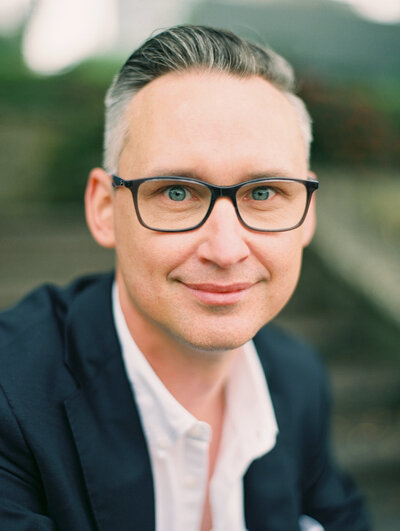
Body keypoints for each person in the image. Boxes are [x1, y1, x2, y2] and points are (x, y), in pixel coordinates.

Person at [0, 25, 370, 531]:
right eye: (176, 192)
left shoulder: (296, 376)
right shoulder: (10, 398)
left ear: (307, 216)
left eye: (263, 193)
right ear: (104, 208)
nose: (225, 249)